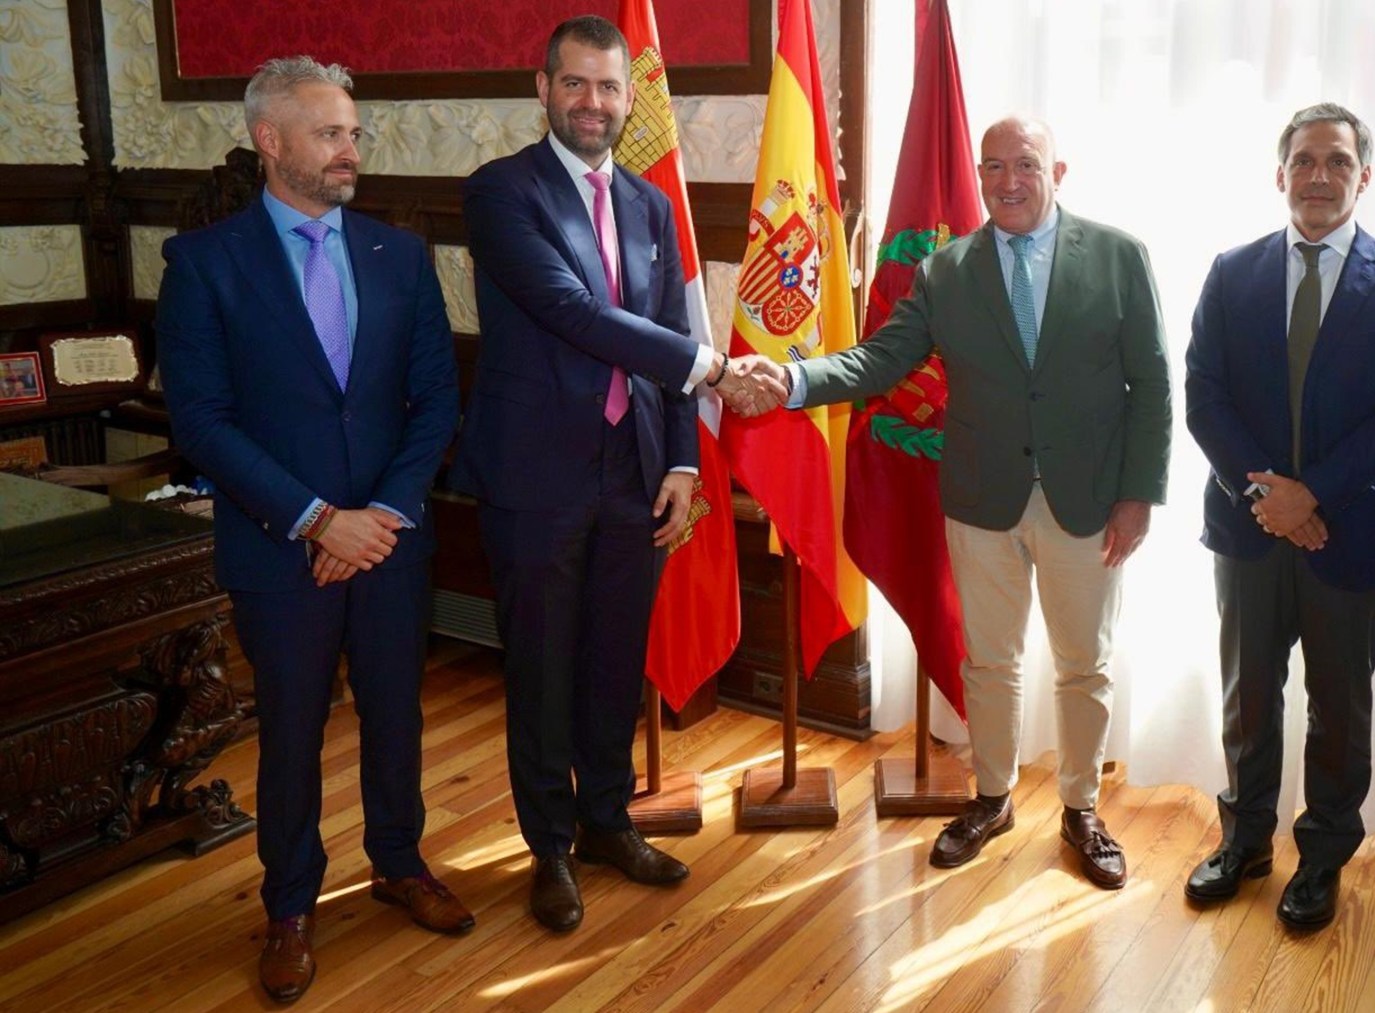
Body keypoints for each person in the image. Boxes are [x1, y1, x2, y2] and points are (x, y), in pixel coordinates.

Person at [734, 116, 1171, 890]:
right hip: (982, 498)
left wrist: (1139, 495)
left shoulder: (1119, 255)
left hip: (1089, 500)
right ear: (978, 173)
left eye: (1025, 165)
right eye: (993, 166)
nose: (1008, 181)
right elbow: (880, 360)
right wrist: (794, 380)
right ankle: (992, 797)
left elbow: (1154, 385)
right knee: (990, 661)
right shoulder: (947, 269)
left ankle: (1081, 808)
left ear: (1057, 170)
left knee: (1083, 663)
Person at [155, 56, 469, 1003]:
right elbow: (201, 420)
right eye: (331, 133)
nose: (350, 150)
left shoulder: (399, 256)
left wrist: (376, 518)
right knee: (290, 729)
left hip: (389, 537)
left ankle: (399, 860)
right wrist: (315, 520)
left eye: (354, 133)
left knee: (396, 712)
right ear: (271, 141)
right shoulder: (204, 264)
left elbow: (435, 398)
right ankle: (290, 904)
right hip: (277, 546)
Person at [451, 15, 762, 932]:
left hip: (635, 475)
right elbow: (576, 313)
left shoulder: (651, 204)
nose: (593, 103)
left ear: (632, 99)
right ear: (542, 89)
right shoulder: (499, 194)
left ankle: (605, 821)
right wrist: (710, 371)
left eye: (609, 87)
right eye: (576, 84)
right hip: (535, 478)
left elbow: (668, 324)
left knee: (614, 661)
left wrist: (678, 459)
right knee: (543, 669)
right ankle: (547, 846)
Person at [1182, 103, 1375, 929]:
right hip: (1249, 533)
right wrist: (1271, 501)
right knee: (1248, 699)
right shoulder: (1232, 271)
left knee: (1340, 710)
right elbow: (1204, 396)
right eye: (1304, 159)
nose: (1319, 175)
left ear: (1364, 176)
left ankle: (1323, 856)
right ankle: (1245, 840)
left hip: (1347, 536)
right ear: (1281, 173)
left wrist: (1311, 496)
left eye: (1337, 160)